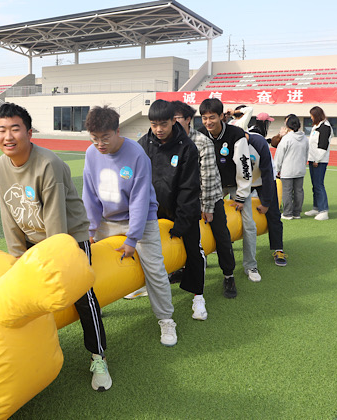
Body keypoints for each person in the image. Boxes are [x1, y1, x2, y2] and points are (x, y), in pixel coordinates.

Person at [0, 103, 111, 392]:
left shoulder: (48, 164)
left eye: (15, 129)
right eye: (1, 130)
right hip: (33, 237)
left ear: (29, 133)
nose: (8, 136)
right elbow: (8, 213)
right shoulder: (0, 166)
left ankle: (99, 356)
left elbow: (56, 222)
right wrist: (17, 256)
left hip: (69, 236)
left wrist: (52, 264)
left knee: (82, 294)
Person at [82, 105, 178, 346]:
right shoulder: (91, 154)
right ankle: (96, 307)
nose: (100, 144)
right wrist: (90, 230)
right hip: (106, 221)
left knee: (154, 269)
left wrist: (132, 238)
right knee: (93, 265)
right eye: (94, 138)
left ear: (117, 131)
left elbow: (140, 199)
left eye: (105, 137)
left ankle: (166, 319)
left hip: (142, 220)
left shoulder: (136, 155)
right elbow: (90, 195)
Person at [137, 100, 207, 320]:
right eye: (154, 124)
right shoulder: (143, 144)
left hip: (182, 208)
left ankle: (198, 296)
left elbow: (189, 187)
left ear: (173, 121)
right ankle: (145, 285)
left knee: (193, 251)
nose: (159, 129)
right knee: (148, 250)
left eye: (163, 124)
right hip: (152, 208)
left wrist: (182, 222)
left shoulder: (187, 147)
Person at [172, 100, 237, 299]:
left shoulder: (201, 142)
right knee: (182, 236)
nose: (171, 123)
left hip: (210, 197)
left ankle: (228, 275)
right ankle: (184, 269)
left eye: (175, 119)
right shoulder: (171, 141)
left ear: (188, 120)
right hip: (185, 200)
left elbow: (207, 177)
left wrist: (207, 207)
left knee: (221, 236)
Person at [198, 98, 252, 290]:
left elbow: (244, 166)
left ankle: (250, 265)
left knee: (248, 224)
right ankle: (203, 261)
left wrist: (241, 196)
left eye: (212, 117)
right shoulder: (200, 135)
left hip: (236, 183)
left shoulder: (236, 134)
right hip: (214, 186)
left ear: (221, 116)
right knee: (206, 223)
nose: (208, 122)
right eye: (204, 118)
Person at [245, 125, 287, 270]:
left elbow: (267, 175)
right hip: (243, 181)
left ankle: (278, 249)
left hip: (264, 180)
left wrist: (266, 203)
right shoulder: (230, 145)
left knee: (273, 214)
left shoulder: (259, 143)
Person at [274, 114, 310, 220]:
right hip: (300, 169)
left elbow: (279, 155)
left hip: (287, 170)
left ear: (287, 125)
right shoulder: (304, 138)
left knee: (287, 191)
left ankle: (287, 213)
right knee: (299, 191)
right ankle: (297, 213)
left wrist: (277, 169)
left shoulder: (286, 139)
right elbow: (306, 154)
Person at [305, 106, 332, 221]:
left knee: (319, 185)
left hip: (319, 161)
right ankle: (316, 208)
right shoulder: (316, 126)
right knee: (315, 185)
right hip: (313, 159)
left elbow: (323, 145)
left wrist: (317, 159)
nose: (311, 118)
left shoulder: (325, 127)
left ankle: (324, 210)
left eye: (312, 116)